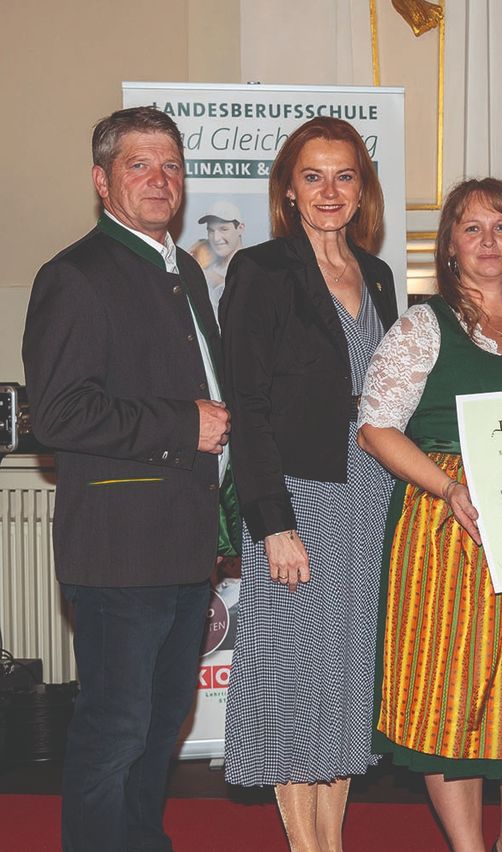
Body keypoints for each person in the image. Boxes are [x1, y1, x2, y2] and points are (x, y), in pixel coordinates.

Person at [357, 178, 502, 852]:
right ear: (451, 246)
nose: (488, 241)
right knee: (451, 691)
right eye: (472, 228)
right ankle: (467, 846)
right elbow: (375, 428)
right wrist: (447, 487)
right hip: (452, 529)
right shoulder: (422, 326)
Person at [22, 106, 231, 852]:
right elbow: (57, 414)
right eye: (138, 164)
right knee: (114, 729)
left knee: (161, 721)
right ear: (102, 180)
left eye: (170, 164)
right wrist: (182, 424)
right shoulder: (74, 275)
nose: (159, 179)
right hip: (118, 550)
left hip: (185, 544)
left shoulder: (186, 273)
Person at [220, 116, 398, 851]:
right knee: (296, 674)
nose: (330, 191)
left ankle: (333, 841)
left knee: (346, 673)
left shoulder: (378, 274)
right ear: (289, 190)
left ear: (362, 190)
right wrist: (273, 523)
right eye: (313, 177)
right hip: (299, 492)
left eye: (344, 176)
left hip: (370, 492)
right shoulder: (262, 270)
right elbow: (248, 406)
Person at [197, 200, 246, 315]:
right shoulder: (205, 266)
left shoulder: (255, 267)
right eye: (211, 231)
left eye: (223, 229)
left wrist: (206, 275)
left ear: (240, 228)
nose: (216, 238)